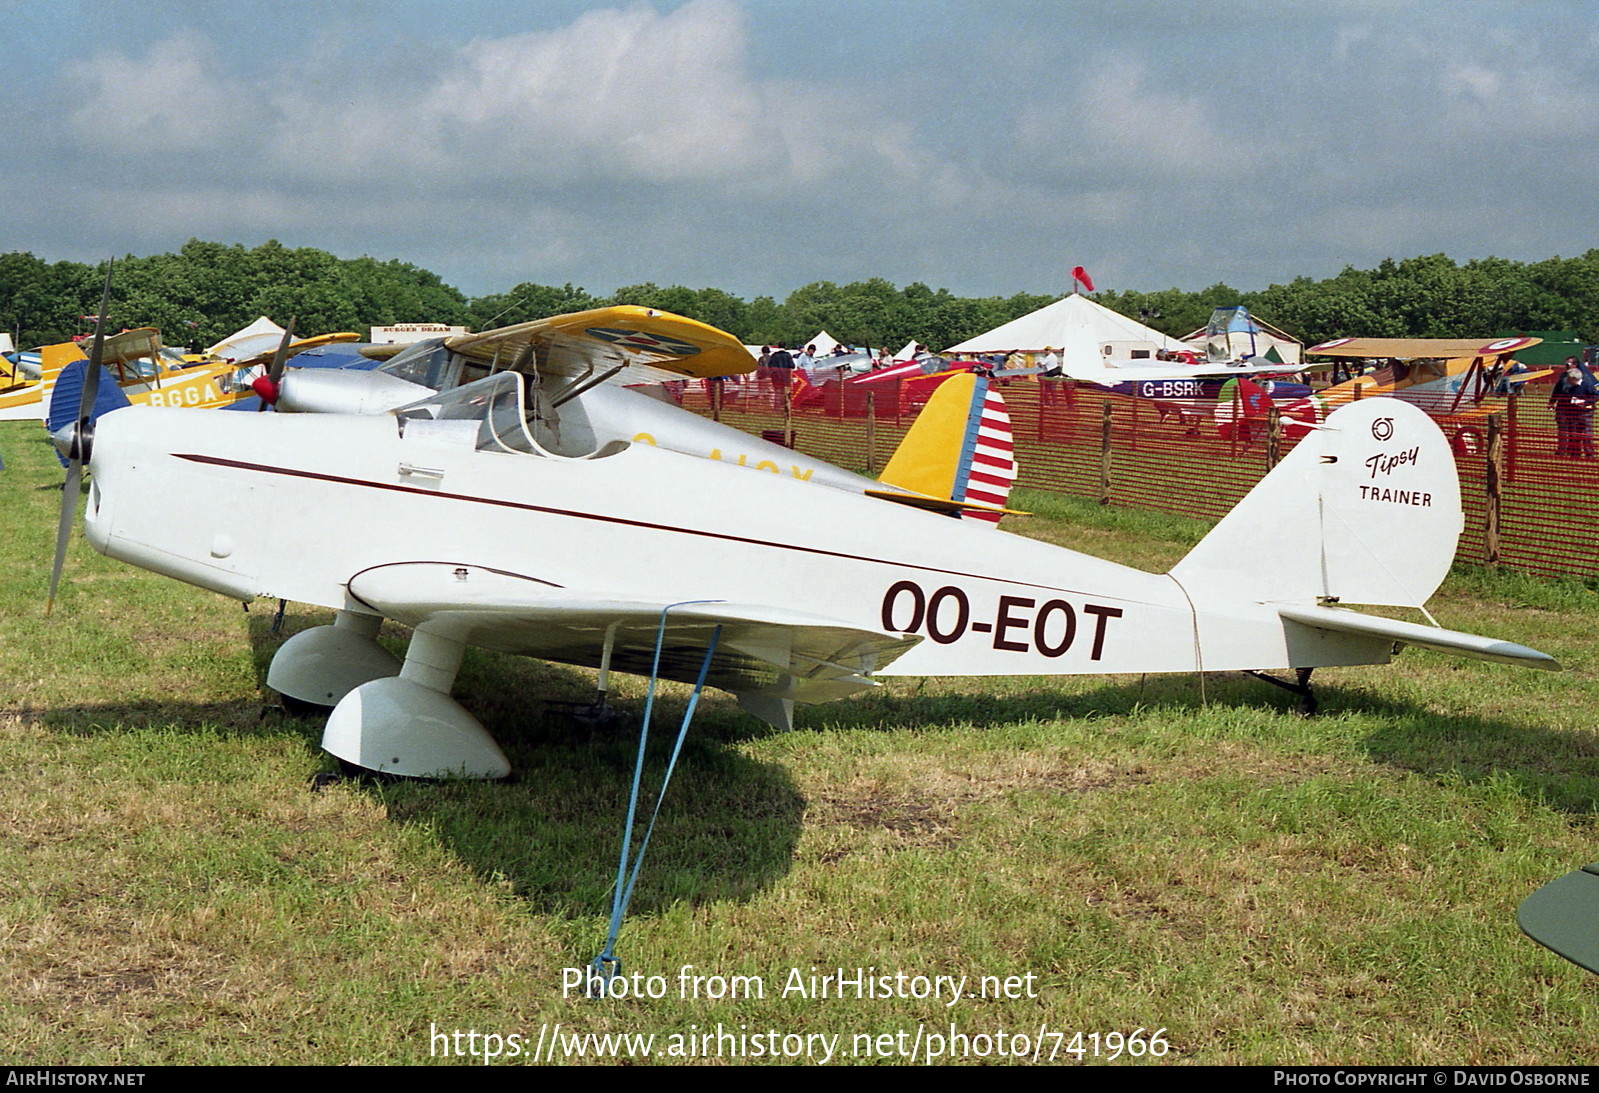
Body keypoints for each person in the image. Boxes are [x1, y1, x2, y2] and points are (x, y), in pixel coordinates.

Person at [1549, 357, 1598, 459]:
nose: (1565, 367)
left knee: (1585, 433)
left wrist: (1585, 402)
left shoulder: (1586, 378)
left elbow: (1594, 394)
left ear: (1575, 365)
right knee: (1567, 431)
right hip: (1565, 409)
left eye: (1568, 365)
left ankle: (1589, 454)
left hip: (1582, 411)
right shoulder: (1564, 376)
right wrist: (1552, 402)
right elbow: (1557, 389)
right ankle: (1568, 452)